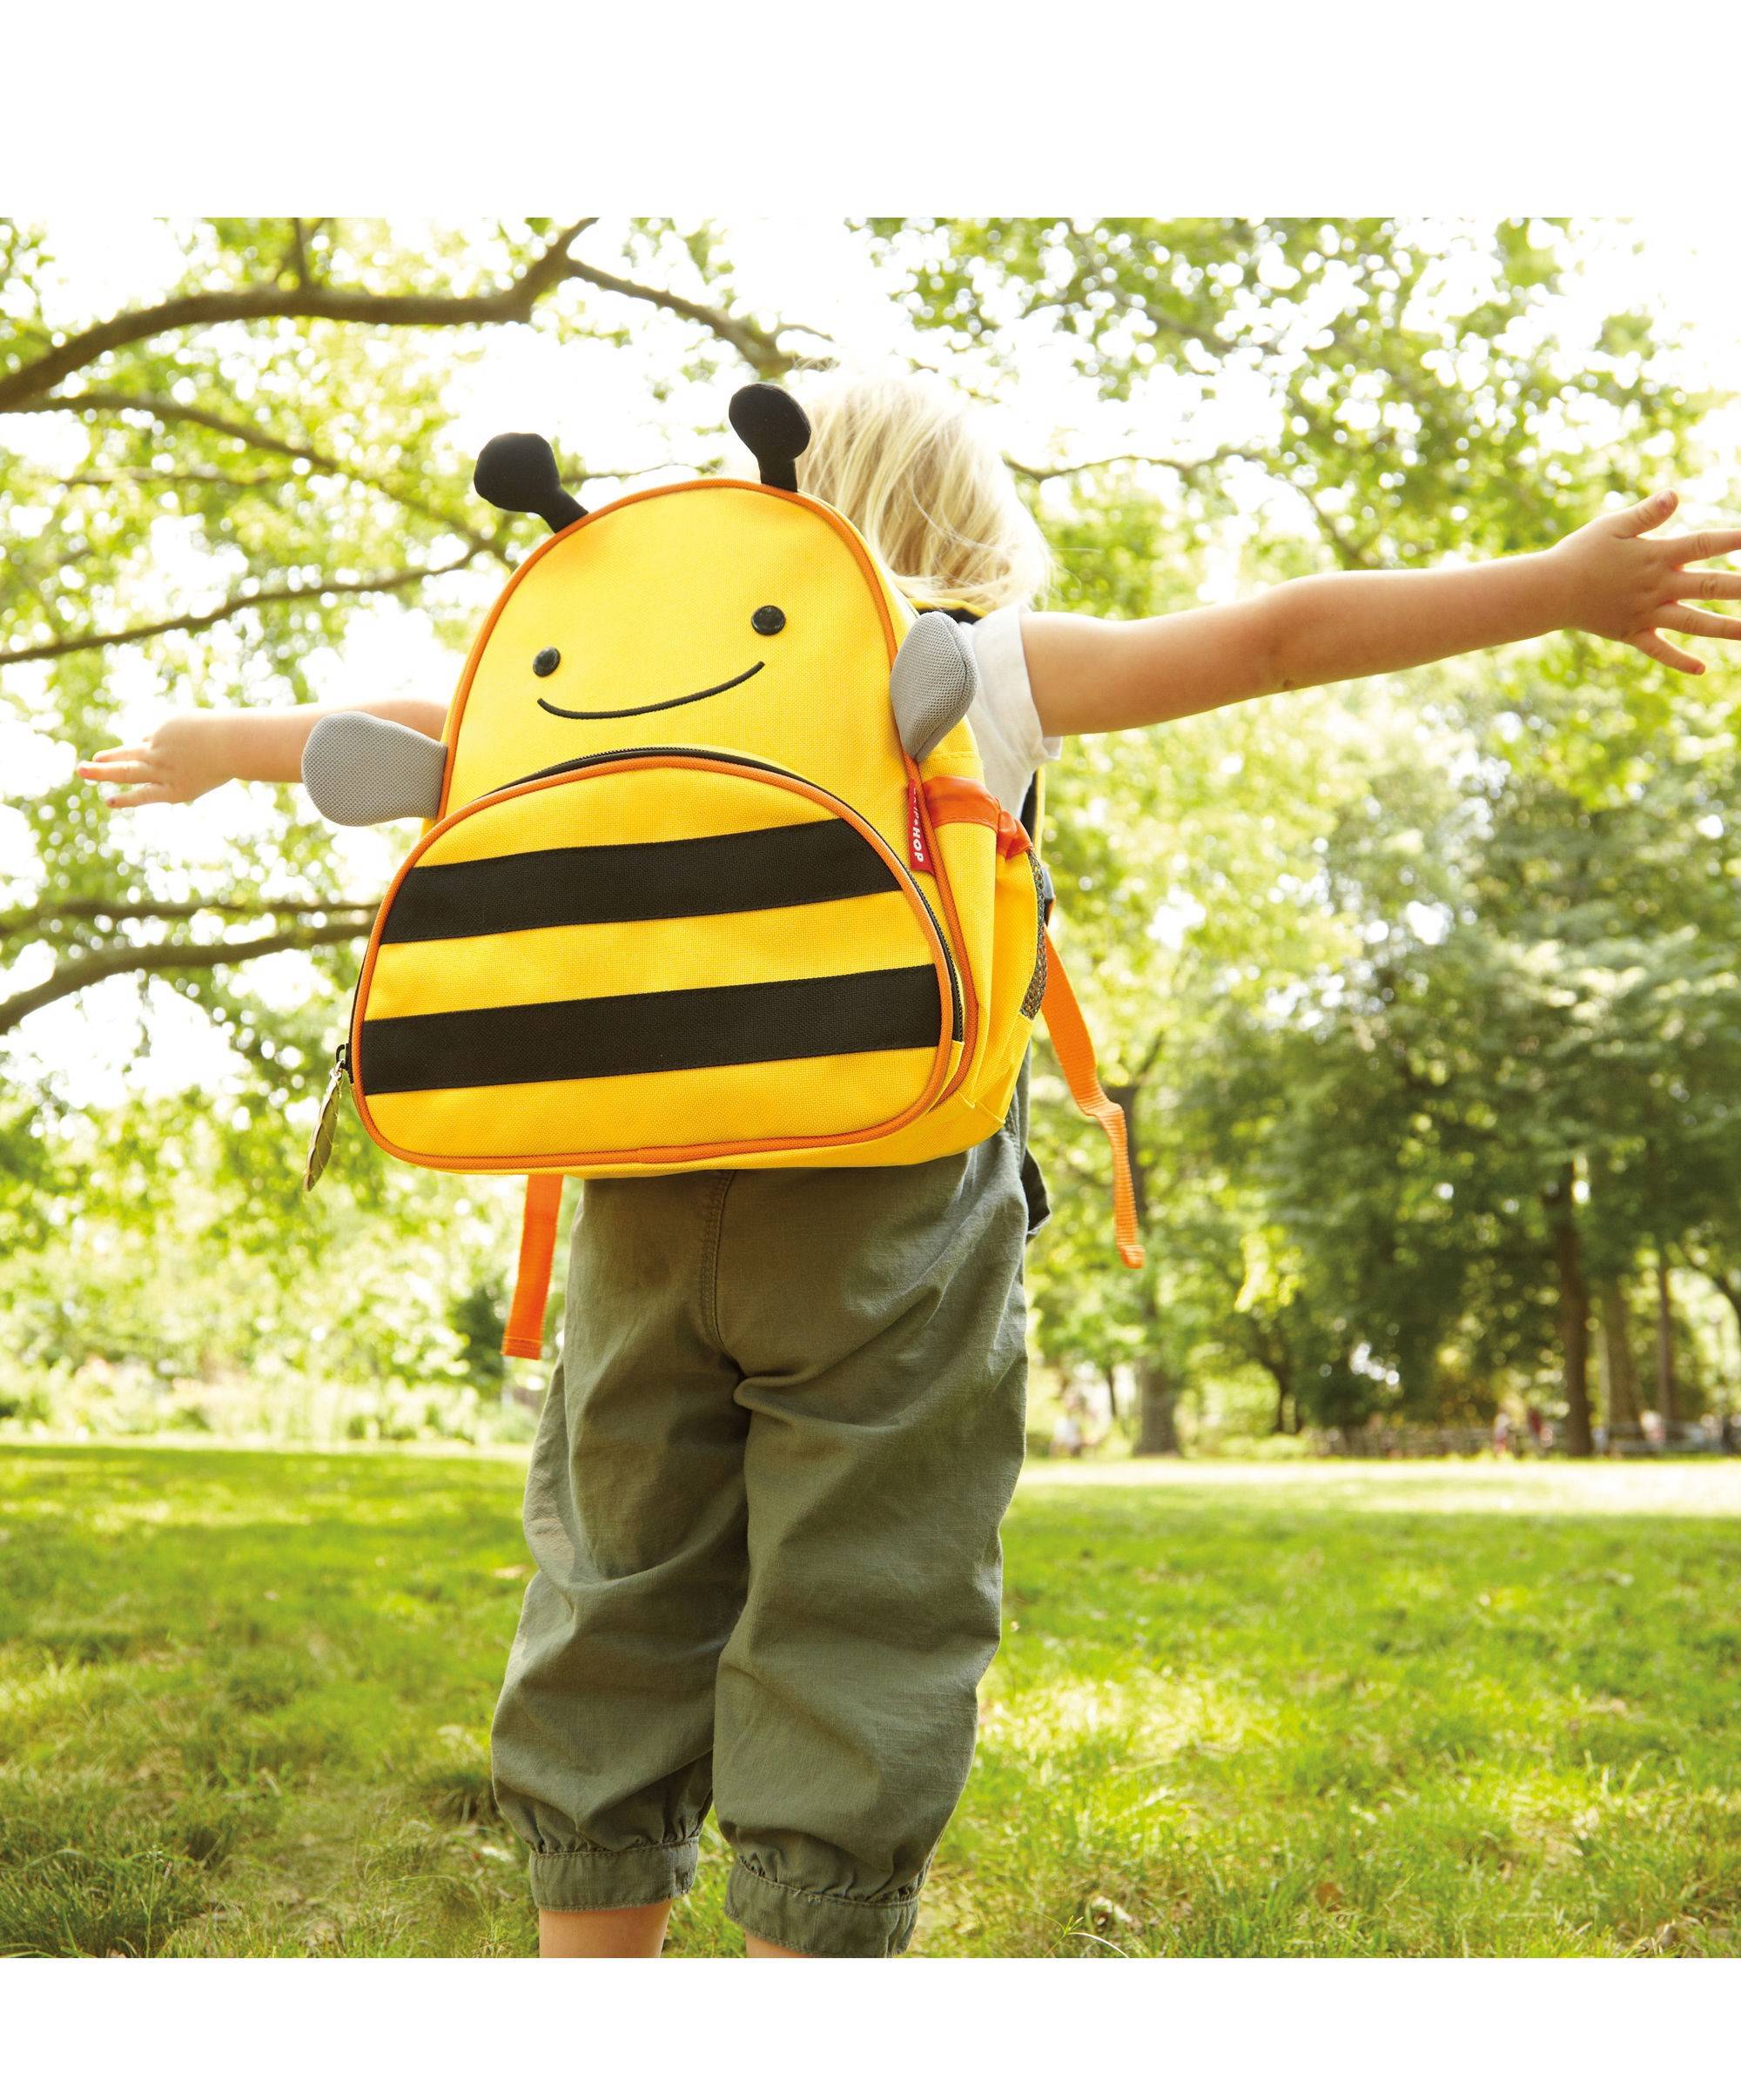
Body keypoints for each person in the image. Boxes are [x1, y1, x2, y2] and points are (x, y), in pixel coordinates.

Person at [78, 372, 1741, 1957]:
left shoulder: (623, 673)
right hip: (891, 1222)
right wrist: (1553, 585)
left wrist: (212, 743)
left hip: (642, 1217)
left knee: (614, 1586)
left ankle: (588, 1957)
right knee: (861, 1599)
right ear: (969, 516)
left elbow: (402, 722)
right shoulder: (969, 660)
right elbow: (1273, 636)